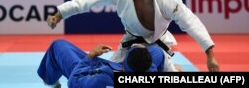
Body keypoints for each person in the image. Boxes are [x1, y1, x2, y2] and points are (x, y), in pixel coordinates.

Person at [46, 0, 219, 72]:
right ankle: (173, 69)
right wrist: (60, 14)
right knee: (109, 75)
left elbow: (191, 22)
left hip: (158, 47)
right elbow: (89, 0)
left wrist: (210, 55)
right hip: (131, 46)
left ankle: (172, 68)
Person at [37, 39, 165, 88]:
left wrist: (91, 55)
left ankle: (50, 81)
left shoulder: (102, 80)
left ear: (126, 61)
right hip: (115, 67)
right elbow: (157, 51)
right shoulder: (149, 70)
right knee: (156, 50)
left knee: (58, 45)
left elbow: (73, 82)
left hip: (88, 71)